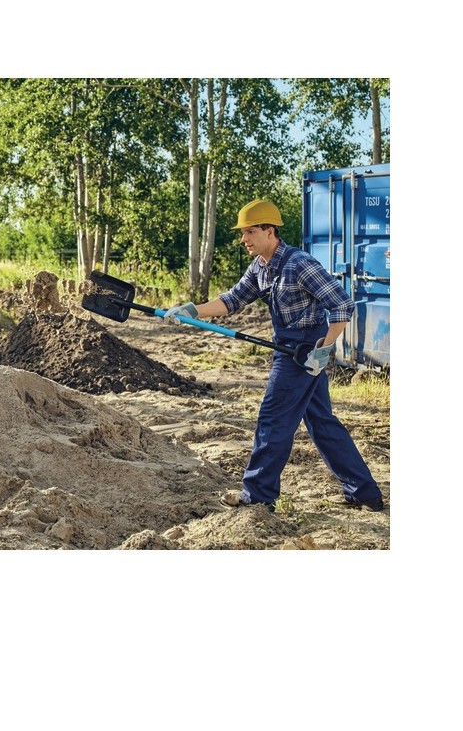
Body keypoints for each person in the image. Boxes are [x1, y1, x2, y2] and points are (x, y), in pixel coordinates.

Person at [164, 199, 384, 514]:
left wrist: (324, 349)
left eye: (250, 231)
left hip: (304, 352)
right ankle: (364, 493)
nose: (244, 239)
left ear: (270, 231)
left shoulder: (299, 264)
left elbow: (342, 304)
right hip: (289, 345)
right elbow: (233, 300)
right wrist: (192, 311)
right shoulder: (260, 267)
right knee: (321, 422)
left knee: (273, 418)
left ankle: (258, 495)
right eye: (243, 233)